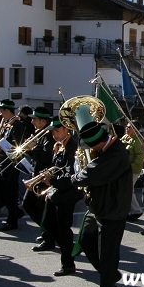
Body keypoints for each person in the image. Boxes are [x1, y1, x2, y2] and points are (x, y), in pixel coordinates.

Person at [70, 121, 133, 287]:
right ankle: (111, 274)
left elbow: (90, 175)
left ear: (96, 143)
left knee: (108, 252)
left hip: (113, 210)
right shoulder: (105, 149)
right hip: (98, 206)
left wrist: (67, 179)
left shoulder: (116, 153)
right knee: (85, 241)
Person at [41, 115, 83, 276]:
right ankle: (71, 249)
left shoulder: (72, 147)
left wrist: (52, 181)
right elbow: (56, 168)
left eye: (57, 131)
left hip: (67, 194)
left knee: (63, 229)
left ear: (66, 129)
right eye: (52, 131)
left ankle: (68, 264)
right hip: (56, 192)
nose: (54, 134)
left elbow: (71, 175)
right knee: (48, 224)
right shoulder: (59, 145)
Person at [21, 107, 56, 249]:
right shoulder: (40, 134)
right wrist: (29, 150)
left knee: (35, 207)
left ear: (43, 121)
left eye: (35, 119)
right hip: (36, 175)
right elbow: (36, 156)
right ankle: (48, 232)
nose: (32, 121)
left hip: (44, 178)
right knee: (31, 206)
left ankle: (49, 237)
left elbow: (48, 158)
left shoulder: (49, 136)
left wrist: (32, 149)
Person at [0, 99, 27, 231]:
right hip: (3, 161)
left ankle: (12, 221)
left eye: (1, 111)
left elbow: (18, 146)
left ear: (7, 110)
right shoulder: (7, 124)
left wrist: (2, 150)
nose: (0, 114)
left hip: (11, 164)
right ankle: (16, 212)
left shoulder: (17, 125)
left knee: (10, 192)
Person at [121, 120, 144, 221]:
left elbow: (139, 158)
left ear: (135, 130)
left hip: (132, 170)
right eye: (126, 126)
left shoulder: (138, 141)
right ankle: (125, 210)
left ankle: (137, 210)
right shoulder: (126, 138)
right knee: (124, 190)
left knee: (128, 190)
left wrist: (130, 169)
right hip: (124, 169)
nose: (126, 128)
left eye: (129, 127)